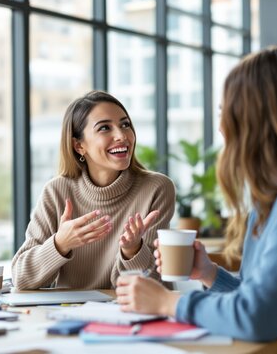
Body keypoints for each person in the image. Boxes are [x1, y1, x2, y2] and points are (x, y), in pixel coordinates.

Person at [115, 46, 277, 353]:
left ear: (257, 120)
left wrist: (167, 302)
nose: (220, 126)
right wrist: (209, 274)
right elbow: (260, 300)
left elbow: (258, 318)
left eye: (225, 112)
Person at [12, 90, 175, 290]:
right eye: (105, 128)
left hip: (129, 313)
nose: (121, 135)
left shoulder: (156, 189)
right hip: (69, 315)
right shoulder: (56, 191)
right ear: (79, 145)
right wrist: (60, 244)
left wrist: (132, 251)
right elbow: (21, 278)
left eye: (125, 124)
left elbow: (153, 286)